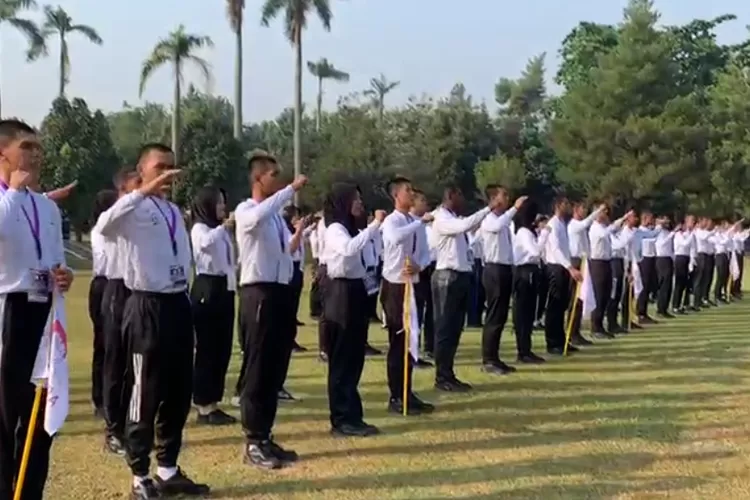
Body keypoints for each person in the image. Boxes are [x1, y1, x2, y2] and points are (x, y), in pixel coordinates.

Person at [96, 143, 207, 499]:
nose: (168, 175)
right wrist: (139, 192)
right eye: (160, 167)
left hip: (177, 304)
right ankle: (139, 475)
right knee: (145, 391)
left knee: (178, 391)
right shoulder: (132, 209)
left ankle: (168, 468)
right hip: (146, 306)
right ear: (141, 171)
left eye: (172, 168)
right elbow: (103, 226)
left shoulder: (173, 210)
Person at [0, 119, 74, 500]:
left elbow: (58, 259)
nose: (35, 154)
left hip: (44, 312)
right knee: (4, 416)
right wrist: (13, 192)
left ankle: (30, 492)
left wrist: (64, 276)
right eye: (26, 146)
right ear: (3, 153)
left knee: (40, 415)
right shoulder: (6, 200)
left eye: (38, 148)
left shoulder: (46, 207)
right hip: (7, 311)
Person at [234, 150, 306, 470]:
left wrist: (299, 233)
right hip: (257, 294)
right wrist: (289, 189)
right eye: (274, 175)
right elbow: (256, 217)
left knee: (274, 369)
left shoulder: (275, 217)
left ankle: (265, 435)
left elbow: (284, 251)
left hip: (278, 292)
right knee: (258, 368)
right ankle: (252, 440)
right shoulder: (248, 210)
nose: (278, 181)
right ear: (258, 178)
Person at [322, 183, 385, 436]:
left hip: (355, 290)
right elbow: (348, 249)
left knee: (354, 357)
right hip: (340, 293)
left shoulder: (351, 228)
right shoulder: (335, 229)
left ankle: (352, 414)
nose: (361, 204)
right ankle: (341, 418)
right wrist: (374, 226)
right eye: (356, 200)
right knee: (342, 358)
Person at [431, 186, 501, 392]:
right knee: (445, 329)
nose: (463, 201)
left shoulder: (452, 217)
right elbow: (463, 226)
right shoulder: (442, 217)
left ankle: (448, 373)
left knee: (454, 329)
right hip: (447, 276)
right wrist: (488, 209)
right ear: (451, 196)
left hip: (459, 276)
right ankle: (442, 376)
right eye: (460, 195)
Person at [93, 167, 141, 457]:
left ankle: (129, 423)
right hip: (116, 290)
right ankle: (113, 429)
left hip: (138, 292)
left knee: (134, 363)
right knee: (115, 362)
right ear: (123, 189)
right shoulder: (111, 219)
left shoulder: (137, 215)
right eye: (137, 184)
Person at [380, 177, 435, 415]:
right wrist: (419, 222)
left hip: (413, 283)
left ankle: (407, 391)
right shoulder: (392, 221)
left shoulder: (415, 223)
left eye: (412, 189)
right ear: (396, 195)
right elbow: (395, 238)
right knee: (398, 342)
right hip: (395, 286)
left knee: (412, 338)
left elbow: (425, 253)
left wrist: (420, 266)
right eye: (407, 190)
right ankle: (395, 395)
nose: (411, 193)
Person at [189, 186, 237, 426]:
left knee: (222, 349)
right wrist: (223, 228)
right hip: (207, 288)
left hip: (223, 288)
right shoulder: (200, 228)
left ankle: (213, 402)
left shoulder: (221, 233)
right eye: (218, 203)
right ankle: (202, 404)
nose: (223, 207)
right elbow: (204, 245)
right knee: (207, 350)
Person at [479, 186, 526, 374]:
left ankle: (495, 357)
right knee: (493, 315)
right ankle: (488, 359)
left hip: (505, 268)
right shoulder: (489, 219)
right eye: (503, 195)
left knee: (500, 316)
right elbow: (497, 227)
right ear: (493, 199)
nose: (507, 199)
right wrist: (514, 209)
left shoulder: (504, 221)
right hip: (494, 269)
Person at [89, 189, 118, 419]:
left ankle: (112, 396)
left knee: (115, 345)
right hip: (103, 285)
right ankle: (100, 398)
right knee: (103, 344)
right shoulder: (100, 231)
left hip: (116, 284)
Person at [543, 196, 583, 355]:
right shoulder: (553, 224)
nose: (568, 207)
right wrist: (570, 268)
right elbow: (556, 250)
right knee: (554, 306)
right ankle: (552, 343)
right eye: (566, 204)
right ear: (558, 205)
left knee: (561, 306)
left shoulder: (562, 224)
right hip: (555, 267)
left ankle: (561, 340)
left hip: (563, 268)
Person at [511, 200, 547, 364]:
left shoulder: (529, 232)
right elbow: (535, 251)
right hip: (525, 272)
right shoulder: (524, 232)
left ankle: (527, 348)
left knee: (529, 312)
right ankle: (523, 350)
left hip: (531, 271)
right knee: (523, 312)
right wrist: (545, 234)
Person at [587, 205, 629, 337]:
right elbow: (606, 233)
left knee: (606, 294)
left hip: (606, 261)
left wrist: (623, 218)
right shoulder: (595, 227)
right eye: (602, 212)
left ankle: (601, 326)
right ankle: (595, 327)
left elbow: (612, 228)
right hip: (597, 262)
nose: (605, 214)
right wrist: (615, 224)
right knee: (599, 295)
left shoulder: (604, 227)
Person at [566, 202, 603, 345]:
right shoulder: (574, 224)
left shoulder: (581, 227)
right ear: (576, 209)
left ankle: (576, 331)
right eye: (583, 208)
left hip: (584, 261)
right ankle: (571, 333)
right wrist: (598, 211)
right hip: (575, 261)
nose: (585, 211)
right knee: (575, 300)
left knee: (581, 299)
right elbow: (585, 223)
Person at [411, 189, 434, 368]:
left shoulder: (426, 225)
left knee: (425, 311)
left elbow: (427, 251)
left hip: (424, 270)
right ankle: (411, 354)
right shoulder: (410, 223)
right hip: (408, 273)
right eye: (422, 201)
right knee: (413, 314)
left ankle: (424, 349)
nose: (426, 205)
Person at [655, 219, 679, 318]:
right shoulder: (659, 231)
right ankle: (660, 309)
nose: (667, 223)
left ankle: (664, 308)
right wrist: (673, 233)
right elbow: (662, 244)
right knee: (663, 285)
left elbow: (670, 248)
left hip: (668, 259)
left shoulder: (667, 232)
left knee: (668, 285)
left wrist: (673, 259)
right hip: (662, 259)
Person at [672, 216, 696, 314]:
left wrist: (692, 261)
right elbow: (685, 244)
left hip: (686, 258)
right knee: (679, 283)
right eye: (691, 221)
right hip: (680, 258)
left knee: (684, 284)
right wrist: (691, 233)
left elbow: (692, 248)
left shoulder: (689, 234)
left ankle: (682, 304)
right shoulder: (679, 234)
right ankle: (675, 305)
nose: (693, 223)